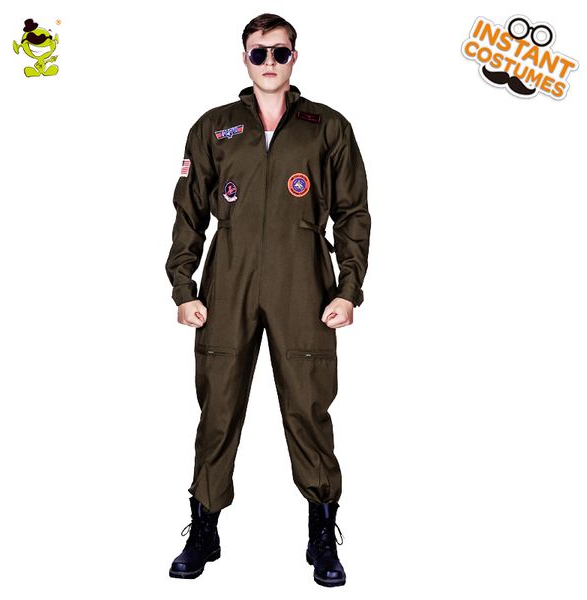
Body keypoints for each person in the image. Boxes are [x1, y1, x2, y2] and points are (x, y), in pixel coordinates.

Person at [164, 12, 371, 587]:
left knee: (308, 407)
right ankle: (204, 528)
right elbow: (188, 212)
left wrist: (348, 288)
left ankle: (321, 534)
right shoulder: (214, 127)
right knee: (218, 408)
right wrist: (183, 287)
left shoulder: (327, 127)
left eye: (280, 52)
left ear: (294, 57)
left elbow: (353, 212)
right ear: (245, 59)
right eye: (259, 53)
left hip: (303, 281)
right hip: (227, 281)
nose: (270, 62)